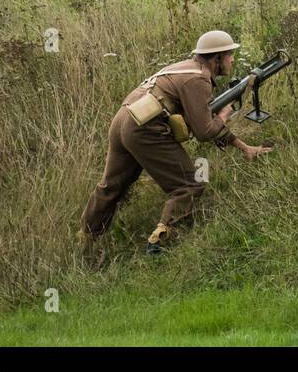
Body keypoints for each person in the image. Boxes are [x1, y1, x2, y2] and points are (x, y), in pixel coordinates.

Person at [79, 30, 272, 255]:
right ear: (216, 58)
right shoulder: (199, 79)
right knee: (190, 184)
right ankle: (159, 243)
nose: (232, 60)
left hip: (123, 120)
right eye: (229, 55)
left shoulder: (183, 67)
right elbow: (204, 131)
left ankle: (86, 240)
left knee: (111, 187)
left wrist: (241, 145)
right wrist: (222, 119)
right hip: (144, 129)